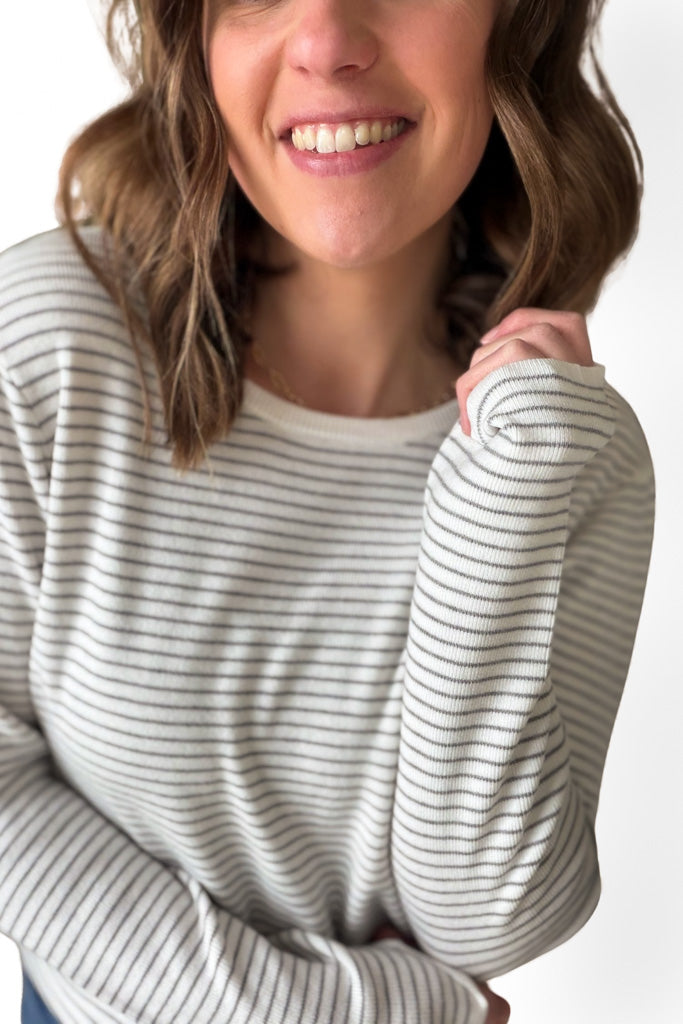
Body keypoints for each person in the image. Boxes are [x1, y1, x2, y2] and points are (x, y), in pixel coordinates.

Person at [0, 0, 654, 1022]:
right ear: (194, 46)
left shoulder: (562, 453)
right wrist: (354, 1011)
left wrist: (500, 493)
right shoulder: (46, 347)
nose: (324, 42)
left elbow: (490, 920)